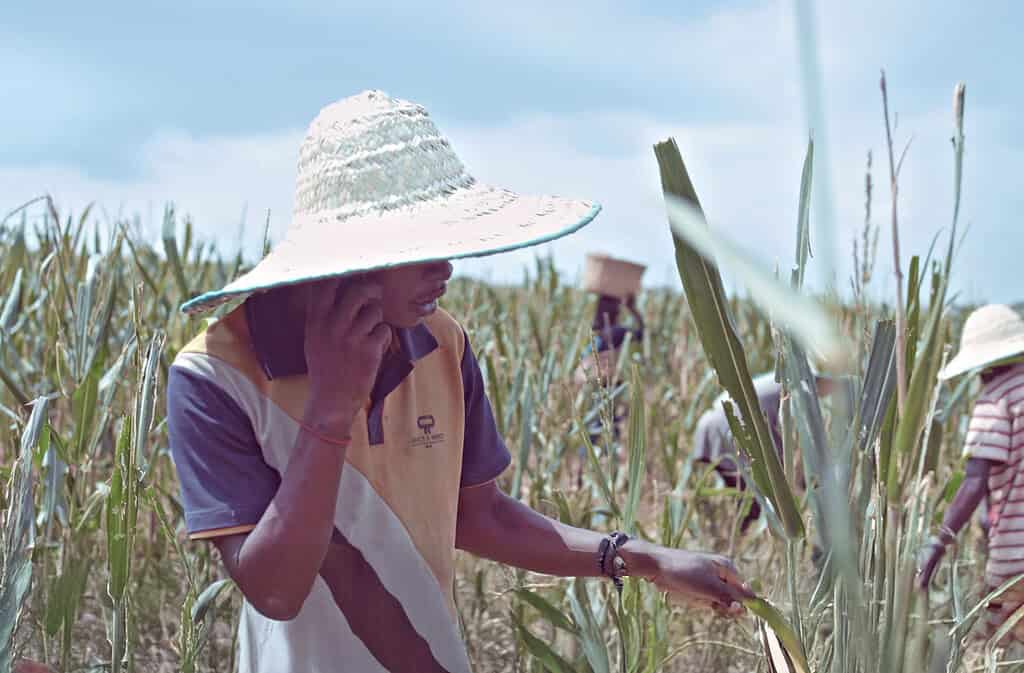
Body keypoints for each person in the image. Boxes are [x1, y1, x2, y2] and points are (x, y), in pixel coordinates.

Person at [166, 90, 753, 673]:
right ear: (352, 252)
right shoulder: (217, 376)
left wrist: (645, 559)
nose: (446, 268)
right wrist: (331, 408)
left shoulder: (441, 342)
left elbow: (480, 516)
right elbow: (276, 591)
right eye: (423, 247)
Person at [917, 304, 1024, 642]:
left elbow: (974, 481)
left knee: (999, 645)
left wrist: (937, 544)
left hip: (1016, 557)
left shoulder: (995, 399)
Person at [692, 371, 835, 532]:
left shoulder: (787, 376)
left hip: (712, 424)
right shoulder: (802, 387)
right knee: (755, 501)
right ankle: (741, 538)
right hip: (732, 427)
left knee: (743, 502)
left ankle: (730, 538)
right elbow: (796, 443)